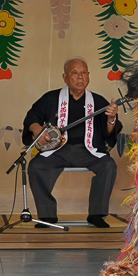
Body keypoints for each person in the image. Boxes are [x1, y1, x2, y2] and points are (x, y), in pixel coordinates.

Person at [22, 57, 121, 228]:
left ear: (89, 76)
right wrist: (37, 128)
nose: (80, 77)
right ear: (65, 77)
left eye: (84, 73)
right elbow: (32, 117)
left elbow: (108, 133)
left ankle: (97, 214)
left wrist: (111, 119)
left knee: (108, 165)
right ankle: (47, 215)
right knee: (36, 166)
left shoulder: (98, 102)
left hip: (88, 151)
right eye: (74, 73)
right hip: (58, 151)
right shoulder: (51, 98)